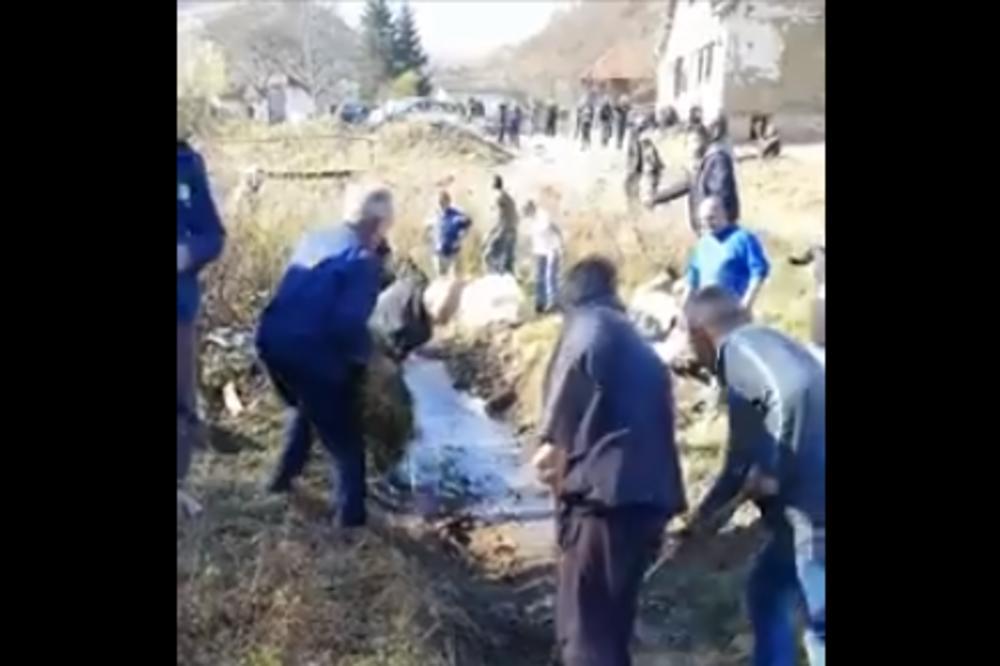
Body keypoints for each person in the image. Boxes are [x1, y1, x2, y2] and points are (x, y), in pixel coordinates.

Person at [532, 257, 687, 666]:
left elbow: (549, 455)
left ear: (569, 299)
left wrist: (558, 500)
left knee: (585, 626)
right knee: (613, 622)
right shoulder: (630, 336)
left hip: (604, 501)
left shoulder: (583, 332)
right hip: (649, 497)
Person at [681, 286, 825, 666]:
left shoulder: (737, 352)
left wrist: (775, 471)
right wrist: (706, 520)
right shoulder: (773, 345)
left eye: (689, 341)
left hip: (812, 513)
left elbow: (791, 394)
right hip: (804, 508)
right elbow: (741, 461)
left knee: (820, 621)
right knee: (769, 591)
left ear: (701, 334)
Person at [256, 184, 395, 528]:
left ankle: (281, 480)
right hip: (309, 350)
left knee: (308, 407)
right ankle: (351, 524)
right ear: (378, 223)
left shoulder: (315, 239)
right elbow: (347, 324)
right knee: (346, 441)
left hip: (271, 341)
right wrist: (369, 361)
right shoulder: (362, 260)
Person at [177, 140, 226, 517]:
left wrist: (188, 253)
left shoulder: (187, 163)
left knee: (181, 402)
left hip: (179, 308)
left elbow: (213, 234)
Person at [649, 117, 741, 234]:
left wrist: (712, 220)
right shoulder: (702, 164)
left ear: (706, 140)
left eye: (696, 141)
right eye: (690, 142)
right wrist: (657, 198)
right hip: (706, 227)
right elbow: (686, 184)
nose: (693, 147)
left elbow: (721, 193)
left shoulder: (717, 160)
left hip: (716, 228)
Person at [680, 197, 770, 313]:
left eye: (711, 218)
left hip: (733, 311)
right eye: (703, 220)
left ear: (723, 214)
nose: (707, 224)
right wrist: (683, 311)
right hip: (707, 313)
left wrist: (745, 305)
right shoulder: (702, 244)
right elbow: (692, 282)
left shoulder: (743, 238)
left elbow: (758, 274)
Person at [524, 200, 564, 314]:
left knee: (550, 277)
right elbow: (531, 235)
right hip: (540, 250)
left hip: (552, 248)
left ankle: (553, 302)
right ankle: (540, 302)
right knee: (539, 277)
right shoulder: (530, 220)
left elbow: (553, 229)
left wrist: (560, 245)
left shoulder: (543, 215)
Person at [789, 236, 825, 349]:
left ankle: (819, 343)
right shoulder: (816, 249)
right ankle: (819, 343)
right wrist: (794, 261)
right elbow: (804, 260)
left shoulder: (816, 250)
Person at [481, 175, 519, 274]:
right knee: (508, 262)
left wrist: (490, 233)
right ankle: (507, 279)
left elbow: (500, 218)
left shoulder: (499, 197)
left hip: (504, 231)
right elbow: (514, 216)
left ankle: (494, 277)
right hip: (512, 231)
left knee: (488, 255)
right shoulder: (508, 197)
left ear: (494, 184)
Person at [431, 191, 472, 277]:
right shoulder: (437, 215)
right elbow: (433, 230)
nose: (441, 204)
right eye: (439, 202)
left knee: (455, 278)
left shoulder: (456, 214)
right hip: (440, 251)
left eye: (443, 201)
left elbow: (468, 223)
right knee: (441, 277)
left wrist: (461, 238)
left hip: (453, 251)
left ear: (448, 201)